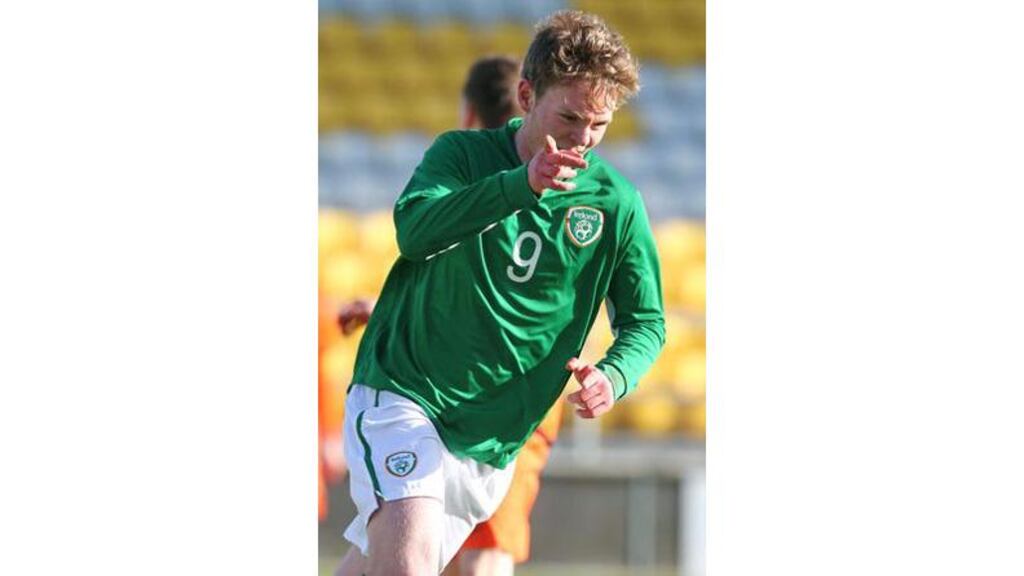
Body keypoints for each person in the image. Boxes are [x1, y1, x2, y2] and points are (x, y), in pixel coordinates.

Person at [336, 11, 665, 575]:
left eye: (599, 125)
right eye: (569, 117)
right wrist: (521, 186)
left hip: (492, 443)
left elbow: (646, 323)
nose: (583, 139)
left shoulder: (616, 204)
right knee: (409, 566)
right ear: (525, 95)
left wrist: (613, 376)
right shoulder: (462, 156)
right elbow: (415, 232)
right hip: (406, 395)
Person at [337, 55, 567, 576]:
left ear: (468, 112)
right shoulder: (549, 191)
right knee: (455, 549)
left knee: (397, 540)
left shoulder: (464, 178)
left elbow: (456, 278)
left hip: (479, 397)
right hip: (499, 396)